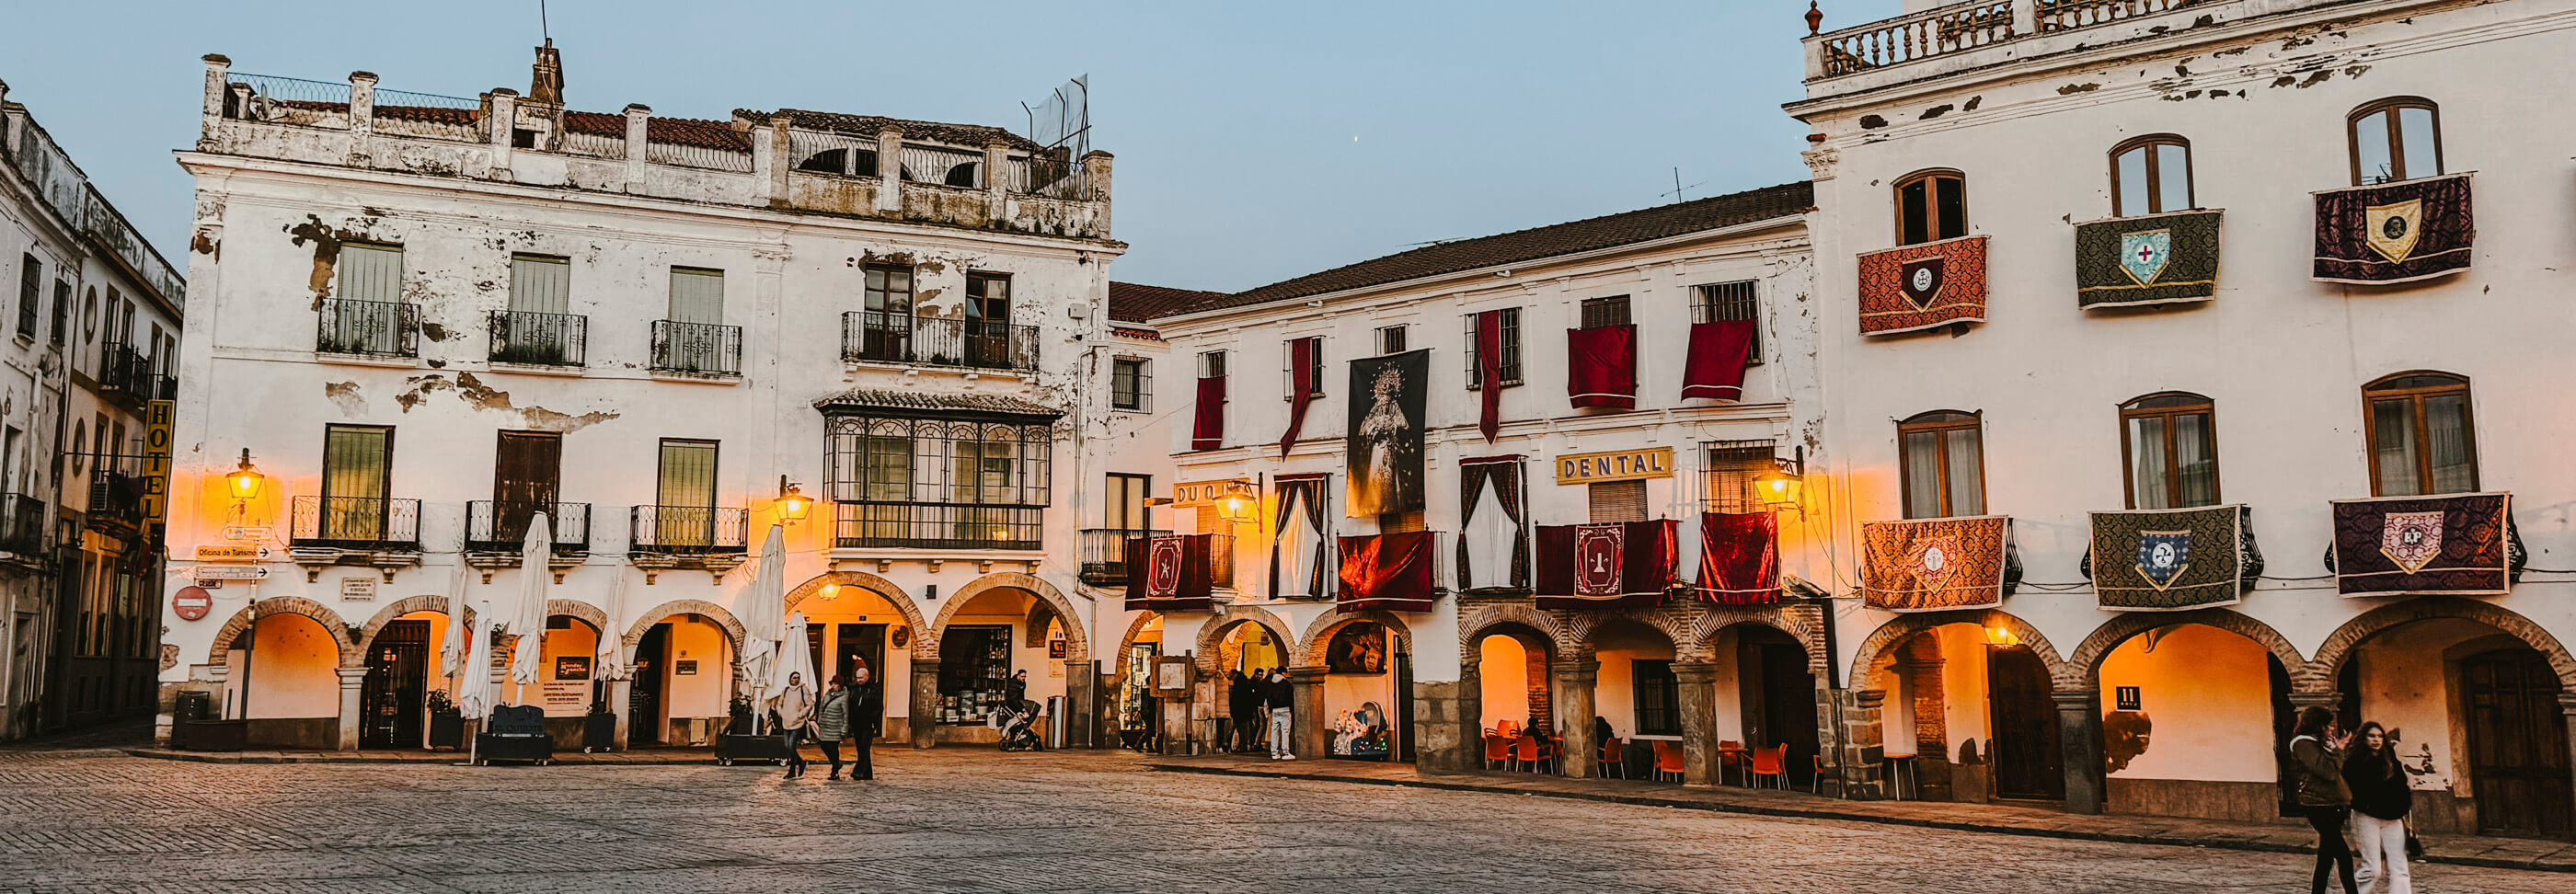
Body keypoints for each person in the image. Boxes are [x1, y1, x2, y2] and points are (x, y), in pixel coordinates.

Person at [2289, 706, 2359, 894]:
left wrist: (2337, 750)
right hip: (2319, 805)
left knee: (2326, 856)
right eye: (2328, 726)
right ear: (2317, 725)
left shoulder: (2321, 743)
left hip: (2333, 805)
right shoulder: (2303, 744)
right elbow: (2327, 772)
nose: (2331, 730)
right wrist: (2338, 750)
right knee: (2344, 856)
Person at [2342, 721, 2413, 894]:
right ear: (2364, 738)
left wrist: (2402, 806)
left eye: (2380, 736)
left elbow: (2402, 785)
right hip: (2367, 817)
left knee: (2400, 867)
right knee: (2373, 869)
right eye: (2371, 736)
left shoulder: (2390, 758)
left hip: (2393, 817)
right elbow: (2352, 788)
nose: (2376, 740)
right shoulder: (2355, 761)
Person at [776, 670, 815, 780]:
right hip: (786, 722)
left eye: (798, 677)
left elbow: (809, 704)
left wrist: (801, 714)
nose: (796, 679)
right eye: (794, 677)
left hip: (797, 722)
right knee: (787, 746)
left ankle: (792, 770)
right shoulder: (786, 690)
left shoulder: (803, 689)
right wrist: (781, 712)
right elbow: (779, 703)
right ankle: (801, 762)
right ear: (790, 679)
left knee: (791, 746)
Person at [847, 664, 882, 780]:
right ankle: (868, 773)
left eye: (861, 678)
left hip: (868, 724)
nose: (859, 680)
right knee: (860, 748)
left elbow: (879, 707)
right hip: (856, 724)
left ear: (867, 676)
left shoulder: (873, 690)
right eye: (857, 678)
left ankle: (859, 770)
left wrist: (873, 720)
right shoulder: (854, 690)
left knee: (864, 747)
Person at [814, 675, 851, 781]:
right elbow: (822, 707)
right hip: (825, 726)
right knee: (823, 745)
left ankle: (834, 771)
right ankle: (837, 763)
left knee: (833, 748)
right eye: (832, 683)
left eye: (835, 684)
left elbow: (845, 714)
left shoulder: (844, 697)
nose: (833, 686)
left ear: (840, 685)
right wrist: (820, 720)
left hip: (835, 727)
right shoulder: (828, 694)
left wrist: (844, 728)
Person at [1266, 668, 1295, 761]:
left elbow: (1268, 697)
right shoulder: (1286, 684)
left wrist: (1271, 709)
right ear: (1283, 673)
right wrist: (1291, 709)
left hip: (1274, 710)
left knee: (1274, 731)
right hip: (1285, 709)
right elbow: (1290, 698)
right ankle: (1285, 752)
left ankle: (1274, 753)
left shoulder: (1270, 683)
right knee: (1285, 731)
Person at [1222, 670, 1249, 752]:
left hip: (1239, 710)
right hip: (1244, 710)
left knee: (1240, 729)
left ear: (1235, 675)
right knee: (1241, 728)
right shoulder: (1245, 682)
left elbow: (1235, 699)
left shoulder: (1238, 684)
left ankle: (1231, 743)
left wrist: (1232, 709)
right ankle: (1239, 745)